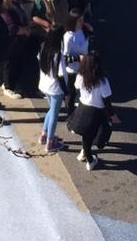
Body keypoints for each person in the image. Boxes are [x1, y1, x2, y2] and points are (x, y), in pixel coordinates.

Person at [71, 52, 118, 171]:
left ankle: (84, 152)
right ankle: (90, 160)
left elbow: (77, 90)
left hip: (83, 108)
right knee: (90, 135)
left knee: (86, 134)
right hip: (97, 112)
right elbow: (107, 100)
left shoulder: (80, 76)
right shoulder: (102, 81)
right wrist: (112, 114)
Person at [36, 25, 68, 153]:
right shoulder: (57, 53)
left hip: (44, 84)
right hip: (55, 88)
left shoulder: (44, 47)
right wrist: (66, 92)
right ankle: (50, 142)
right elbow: (60, 75)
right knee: (54, 114)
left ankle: (44, 134)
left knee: (51, 110)